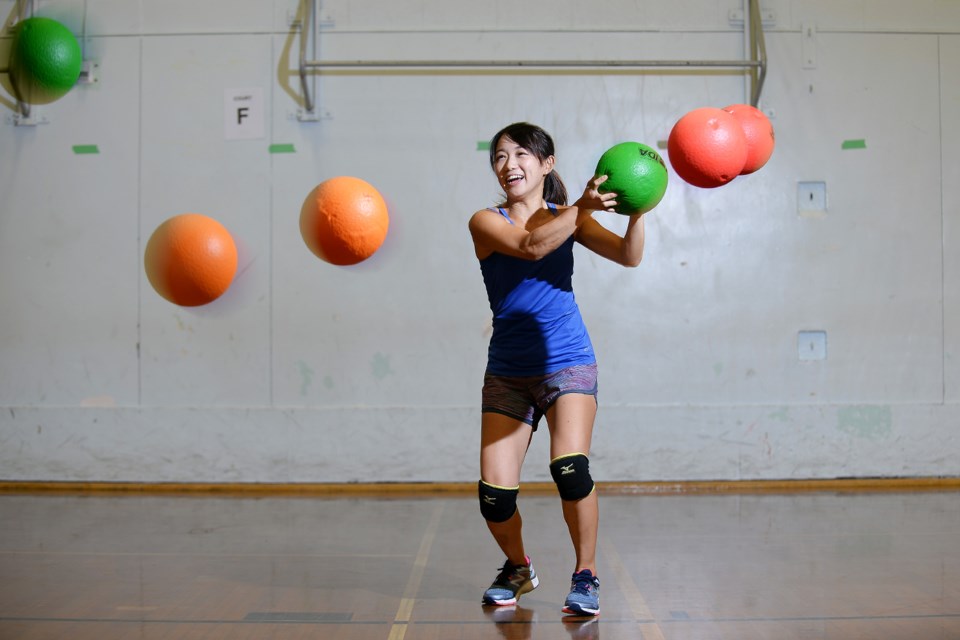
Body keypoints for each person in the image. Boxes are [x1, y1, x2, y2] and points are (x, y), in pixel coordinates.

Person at [468, 122, 646, 617]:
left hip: (567, 360)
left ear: (547, 164)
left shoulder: (571, 217)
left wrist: (640, 213)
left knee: (570, 469)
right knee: (494, 498)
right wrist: (581, 209)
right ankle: (517, 567)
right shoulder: (485, 221)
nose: (510, 165)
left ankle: (585, 574)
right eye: (500, 157)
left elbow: (629, 257)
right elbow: (531, 246)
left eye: (522, 154)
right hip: (508, 370)